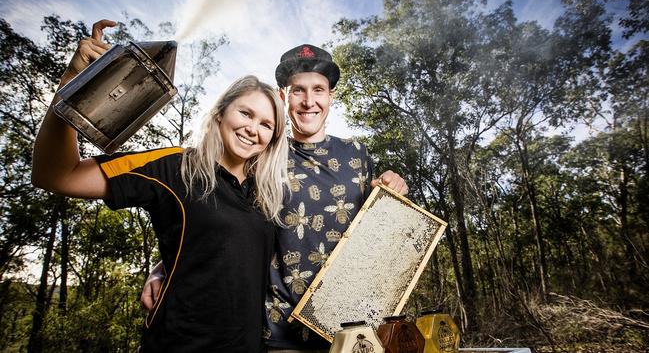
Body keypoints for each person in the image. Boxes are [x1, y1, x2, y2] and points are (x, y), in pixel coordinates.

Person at [32, 19, 289, 352]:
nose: (253, 128)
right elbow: (56, 174)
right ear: (220, 114)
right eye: (246, 113)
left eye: (266, 124)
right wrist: (72, 84)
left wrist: (161, 267)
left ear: (273, 139)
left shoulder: (264, 194)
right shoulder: (174, 166)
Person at [141, 44, 408, 352]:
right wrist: (164, 267)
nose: (309, 101)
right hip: (281, 330)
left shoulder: (357, 154)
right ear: (284, 97)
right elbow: (216, 216)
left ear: (330, 96)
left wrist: (392, 190)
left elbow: (372, 230)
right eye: (298, 90)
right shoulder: (261, 157)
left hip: (353, 330)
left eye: (318, 90)